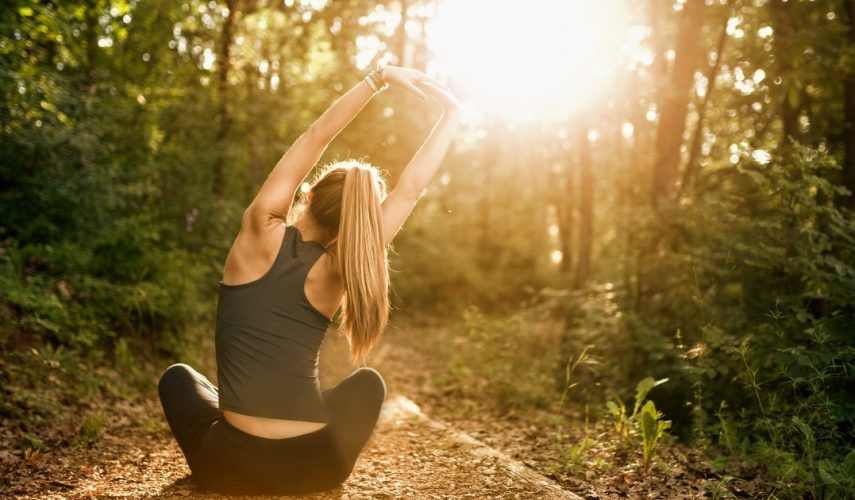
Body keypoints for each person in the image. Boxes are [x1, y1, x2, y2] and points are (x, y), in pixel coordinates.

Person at [156, 65, 462, 495]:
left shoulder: (259, 230)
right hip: (312, 467)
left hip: (229, 466)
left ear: (310, 195)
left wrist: (378, 79)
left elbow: (316, 137)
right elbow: (408, 191)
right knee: (368, 383)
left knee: (179, 378)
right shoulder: (342, 268)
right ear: (351, 227)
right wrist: (451, 114)